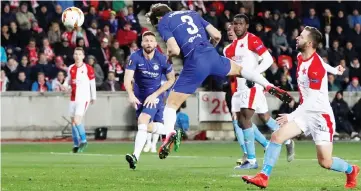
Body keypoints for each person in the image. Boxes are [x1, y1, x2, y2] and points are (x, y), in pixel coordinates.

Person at [146, 3, 292, 160]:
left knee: (171, 105)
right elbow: (216, 35)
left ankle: (169, 133)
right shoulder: (192, 13)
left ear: (158, 18)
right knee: (241, 70)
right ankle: (268, 85)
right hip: (212, 55)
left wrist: (168, 56)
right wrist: (210, 49)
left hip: (194, 61)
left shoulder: (163, 22)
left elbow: (175, 49)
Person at [242, 26, 359, 189]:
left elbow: (311, 100)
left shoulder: (315, 67)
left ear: (309, 43)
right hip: (305, 113)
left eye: (301, 36)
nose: (297, 37)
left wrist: (290, 116)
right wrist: (334, 70)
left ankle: (351, 169)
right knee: (276, 137)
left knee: (325, 162)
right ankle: (263, 176)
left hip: (320, 116)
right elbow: (321, 63)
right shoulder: (301, 56)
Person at [223, 14, 295, 169]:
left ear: (246, 25)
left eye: (240, 24)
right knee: (262, 117)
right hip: (238, 88)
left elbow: (268, 60)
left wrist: (253, 74)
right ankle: (287, 139)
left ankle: (251, 160)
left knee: (244, 120)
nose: (236, 27)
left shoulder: (252, 39)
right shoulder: (227, 50)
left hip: (252, 85)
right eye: (234, 24)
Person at [124, 31, 176, 170]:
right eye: (145, 40)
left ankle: (135, 157)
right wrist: (130, 94)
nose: (148, 43)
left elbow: (171, 79)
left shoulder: (162, 59)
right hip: (139, 97)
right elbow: (128, 78)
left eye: (151, 41)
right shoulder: (135, 57)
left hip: (154, 97)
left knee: (142, 121)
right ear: (142, 43)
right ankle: (170, 132)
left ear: (155, 43)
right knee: (146, 127)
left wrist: (156, 94)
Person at [67, 47, 96, 153]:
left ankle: (84, 141)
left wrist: (94, 96)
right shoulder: (71, 68)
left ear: (83, 56)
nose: (77, 56)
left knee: (77, 120)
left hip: (83, 98)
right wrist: (65, 85)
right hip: (73, 98)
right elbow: (68, 80)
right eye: (76, 54)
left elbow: (92, 83)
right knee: (73, 123)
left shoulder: (88, 68)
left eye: (80, 54)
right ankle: (76, 144)